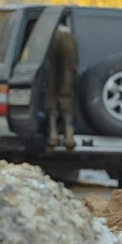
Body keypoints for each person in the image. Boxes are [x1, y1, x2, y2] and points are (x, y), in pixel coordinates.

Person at [45, 15, 78, 150]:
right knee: (66, 88)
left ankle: (52, 133)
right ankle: (69, 135)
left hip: (51, 39)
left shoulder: (49, 31)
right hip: (67, 40)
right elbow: (72, 68)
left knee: (51, 87)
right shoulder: (69, 34)